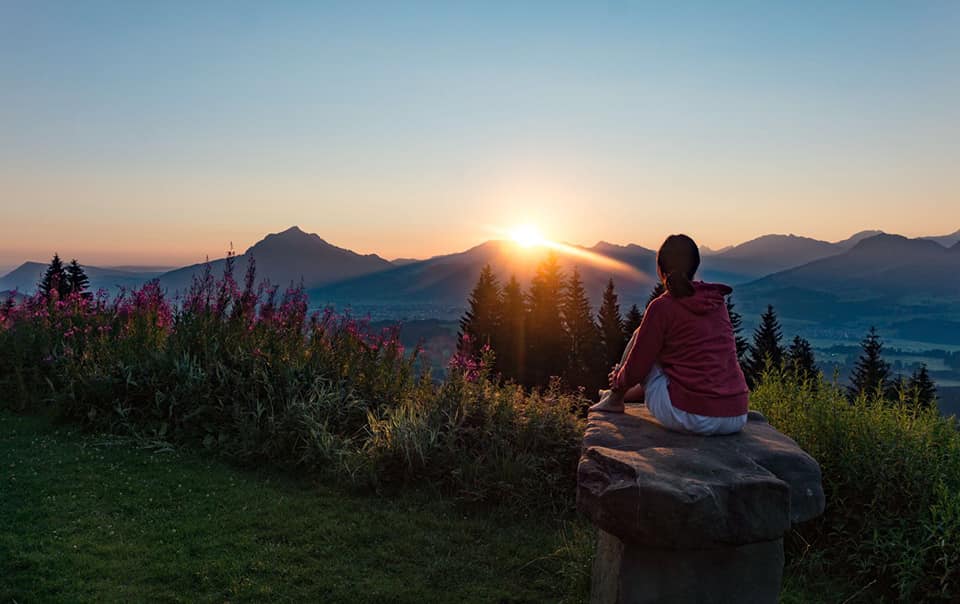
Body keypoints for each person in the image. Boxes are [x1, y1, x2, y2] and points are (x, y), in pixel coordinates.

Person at [590, 234, 749, 436]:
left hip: (692, 415)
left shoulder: (662, 307)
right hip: (736, 415)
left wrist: (619, 380)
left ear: (660, 269)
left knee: (643, 336)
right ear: (695, 266)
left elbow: (639, 367)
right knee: (663, 355)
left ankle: (615, 399)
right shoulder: (716, 303)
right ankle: (617, 395)